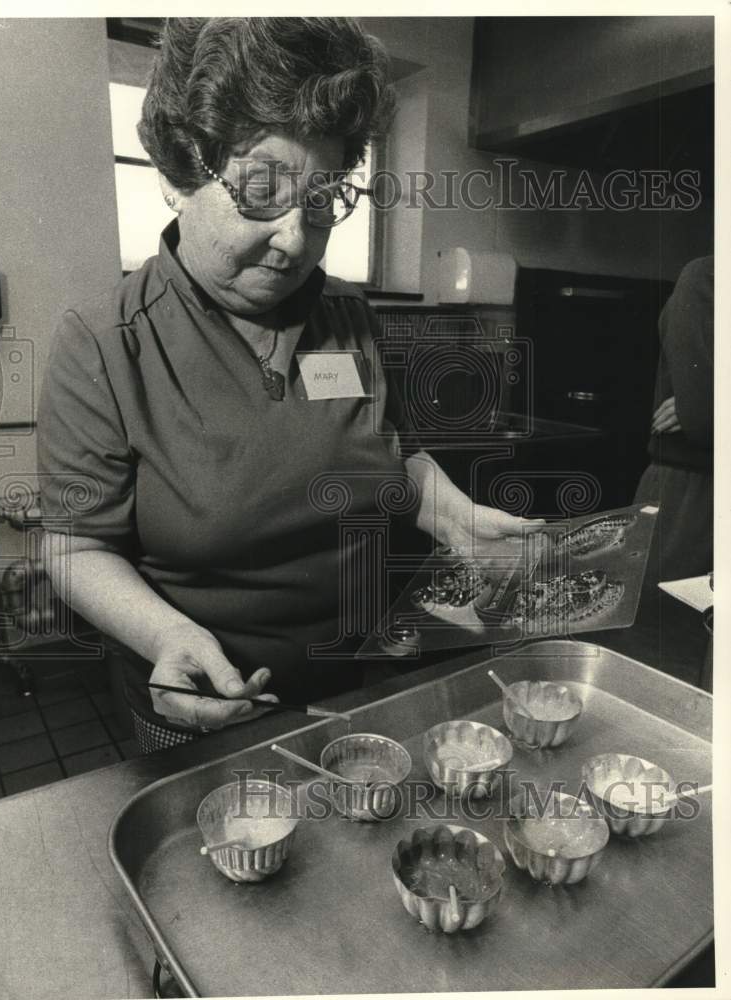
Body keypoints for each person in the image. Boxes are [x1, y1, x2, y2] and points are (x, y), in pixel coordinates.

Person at [38, 17, 540, 753]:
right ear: (180, 177)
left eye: (322, 201)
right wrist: (168, 635)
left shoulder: (347, 314)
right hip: (211, 699)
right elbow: (75, 548)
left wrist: (453, 516)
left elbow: (395, 457)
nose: (295, 240)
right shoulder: (104, 341)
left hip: (364, 679)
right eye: (261, 192)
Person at [634, 255, 713, 586]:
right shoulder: (707, 276)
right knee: (659, 626)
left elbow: (702, 408)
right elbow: (703, 416)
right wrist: (705, 406)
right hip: (690, 493)